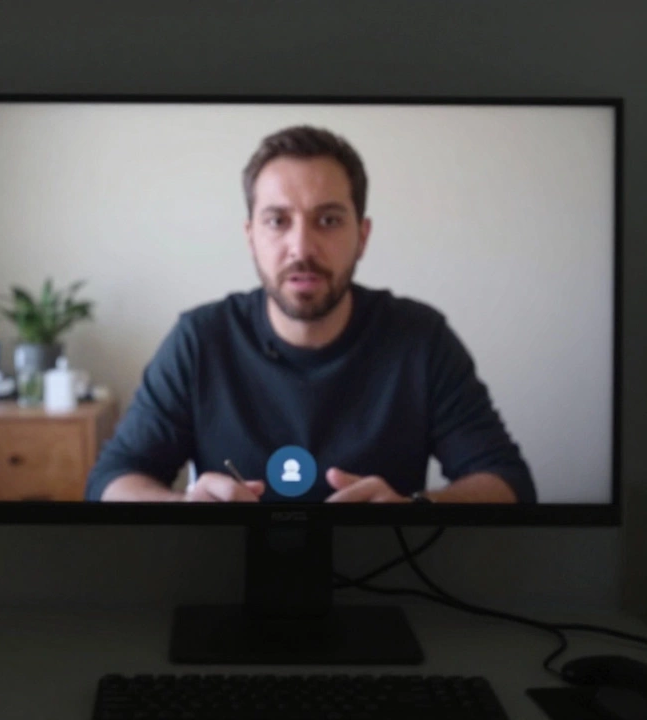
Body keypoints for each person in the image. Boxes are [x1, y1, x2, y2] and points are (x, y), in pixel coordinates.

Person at [86, 124, 535, 505]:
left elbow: (507, 480)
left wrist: (411, 511)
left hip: (382, 582)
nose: (301, 248)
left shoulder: (420, 338)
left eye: (328, 221)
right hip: (229, 579)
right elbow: (111, 480)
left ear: (362, 235)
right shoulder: (201, 338)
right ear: (250, 236)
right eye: (277, 221)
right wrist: (188, 510)